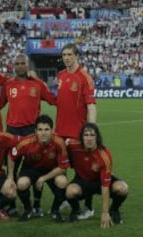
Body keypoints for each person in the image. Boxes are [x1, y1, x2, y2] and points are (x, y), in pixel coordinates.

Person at [0, 54, 56, 216]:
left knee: (36, 168)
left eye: (23, 63)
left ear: (28, 65)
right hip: (12, 131)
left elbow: (53, 100)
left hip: (32, 131)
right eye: (17, 63)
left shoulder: (37, 84)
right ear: (13, 66)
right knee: (11, 169)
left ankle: (37, 205)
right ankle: (12, 204)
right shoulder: (8, 85)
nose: (20, 66)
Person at [55, 43, 97, 217]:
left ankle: (88, 207)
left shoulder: (84, 77)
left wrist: (90, 131)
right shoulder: (61, 75)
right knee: (61, 170)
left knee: (84, 172)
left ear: (76, 55)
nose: (66, 58)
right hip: (60, 133)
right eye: (64, 55)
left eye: (69, 54)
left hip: (77, 134)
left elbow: (91, 106)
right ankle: (66, 199)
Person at [66, 123, 128, 228]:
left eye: (92, 135)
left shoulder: (104, 155)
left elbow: (105, 186)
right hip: (82, 180)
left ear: (97, 137)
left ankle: (114, 211)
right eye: (86, 135)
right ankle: (76, 210)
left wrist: (105, 212)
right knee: (70, 191)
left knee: (122, 188)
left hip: (100, 181)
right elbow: (60, 143)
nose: (89, 138)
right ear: (81, 137)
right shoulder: (73, 145)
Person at [9, 114, 69, 222]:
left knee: (62, 181)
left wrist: (43, 178)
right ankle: (28, 209)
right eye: (40, 130)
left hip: (52, 169)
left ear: (52, 130)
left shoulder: (59, 142)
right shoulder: (26, 142)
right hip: (31, 168)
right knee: (22, 183)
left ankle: (55, 211)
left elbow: (63, 167)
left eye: (46, 129)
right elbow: (12, 156)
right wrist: (10, 177)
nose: (43, 133)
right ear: (35, 131)